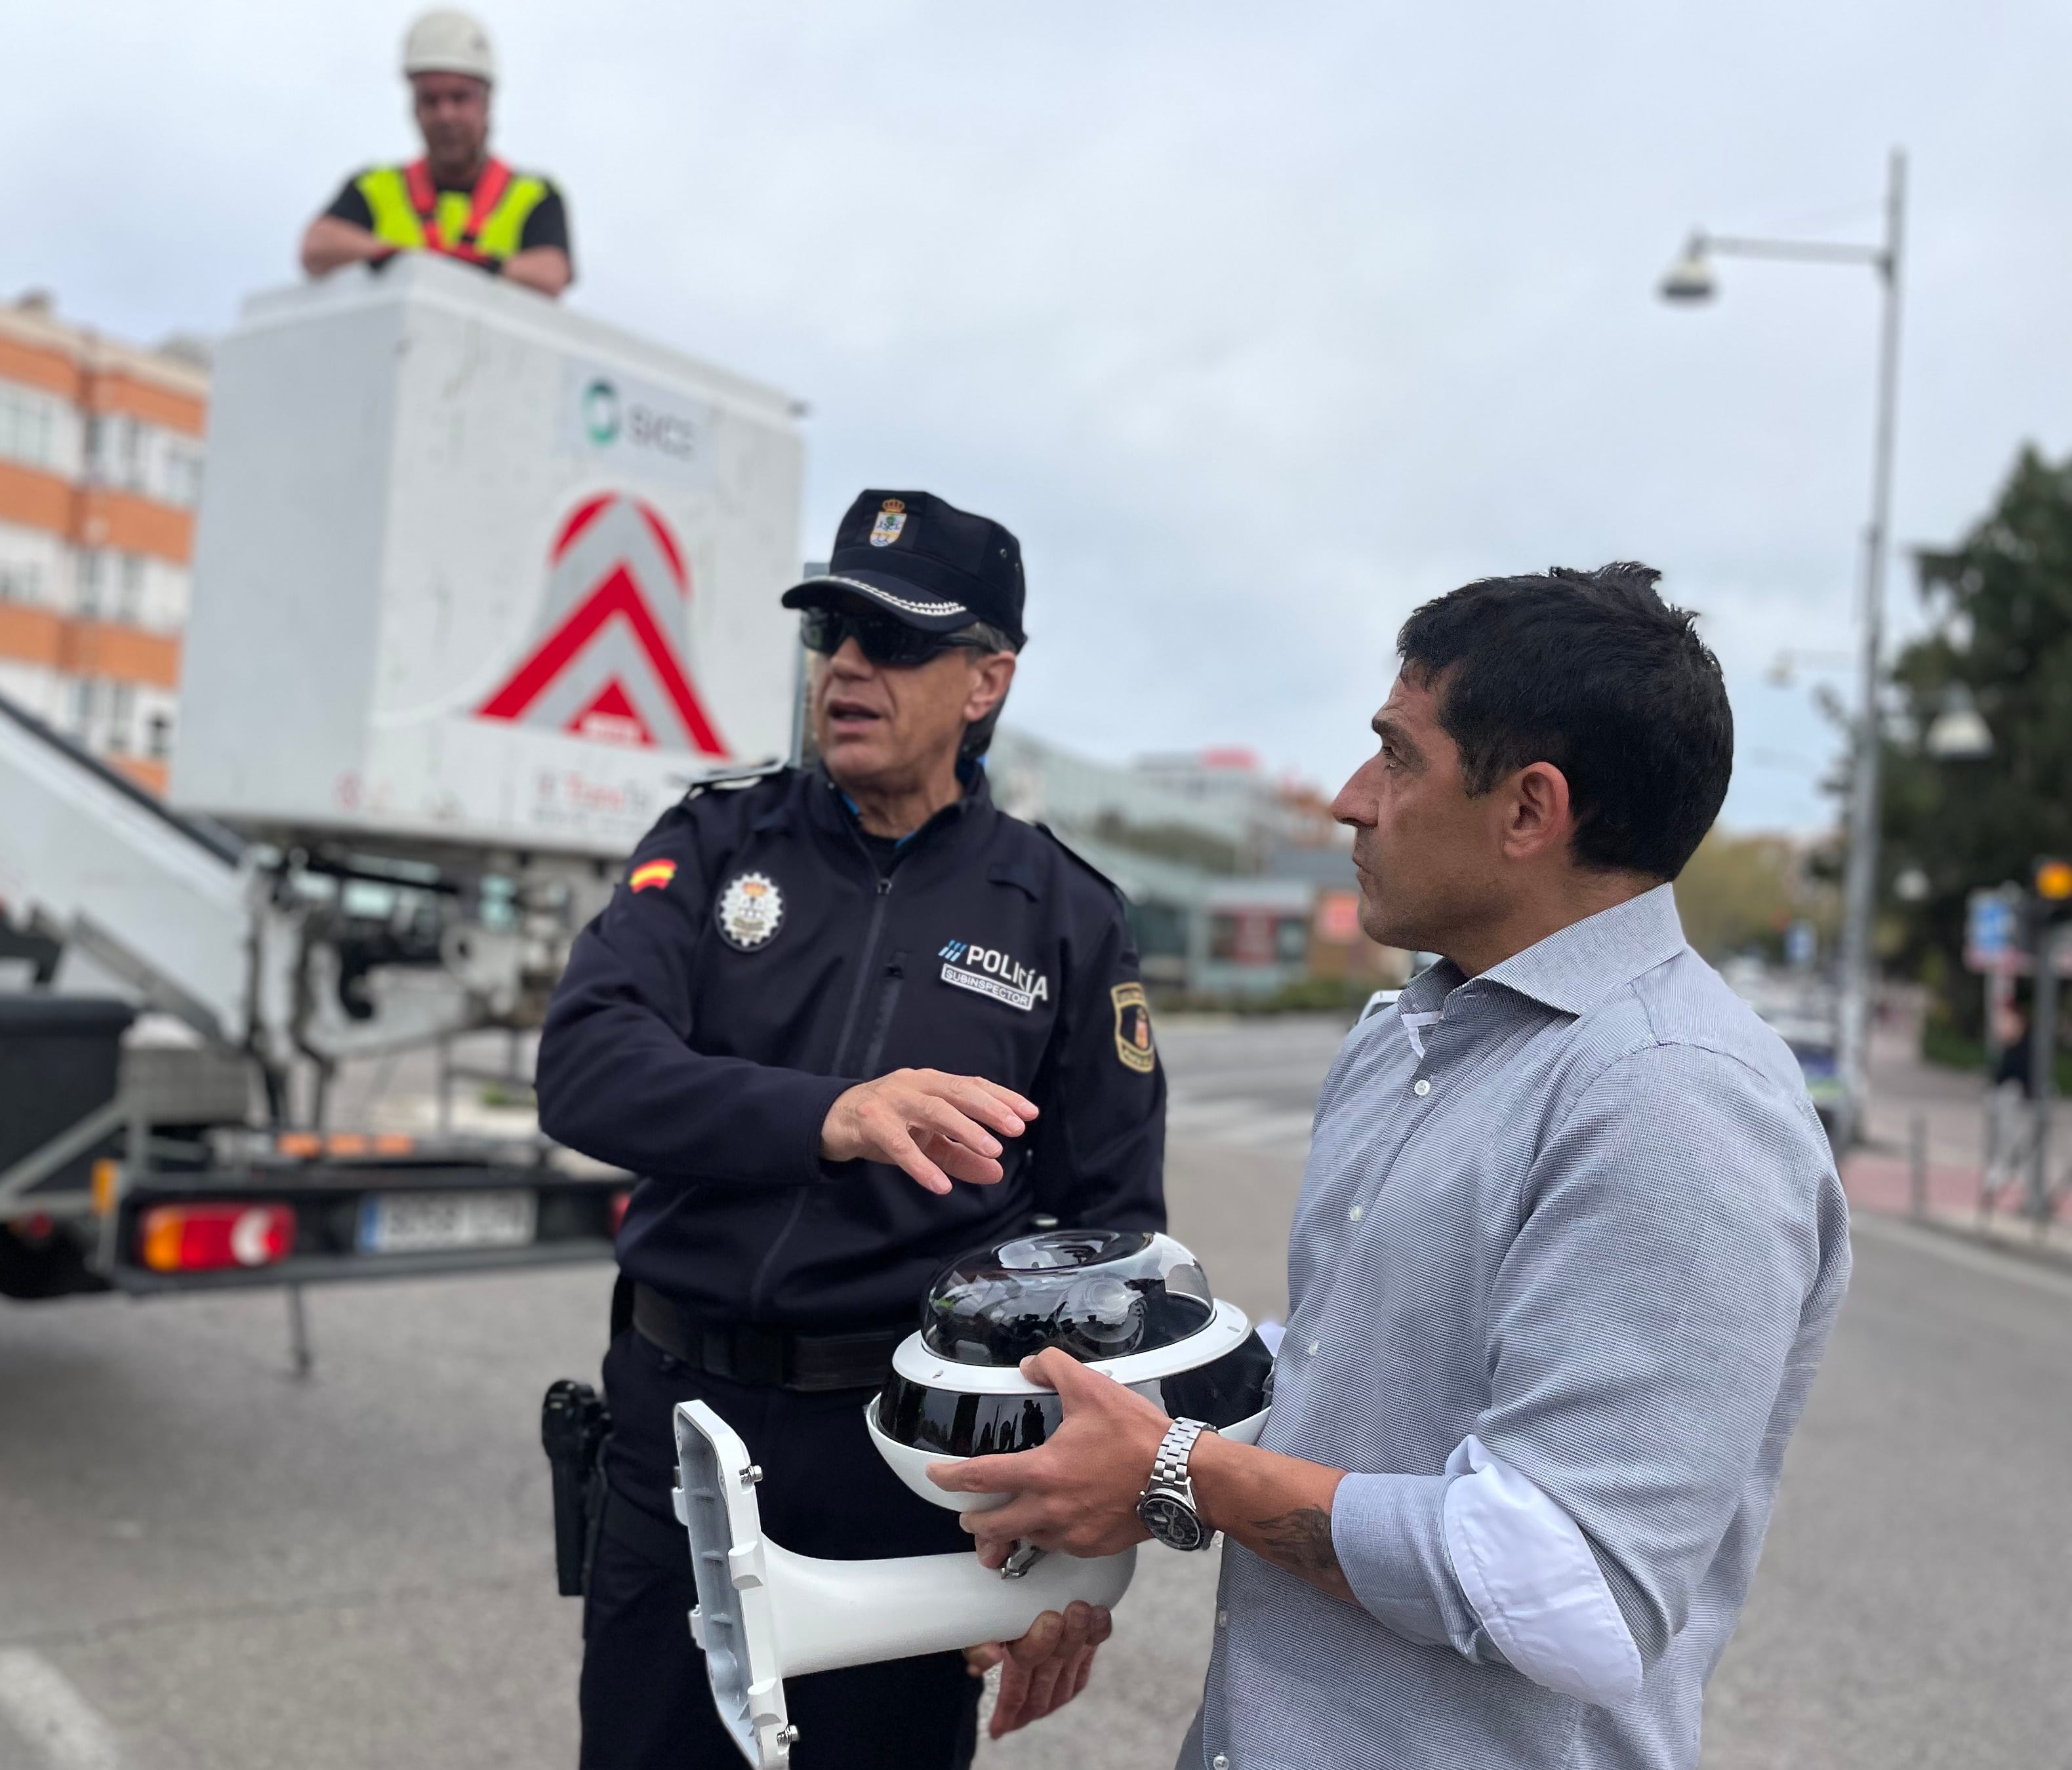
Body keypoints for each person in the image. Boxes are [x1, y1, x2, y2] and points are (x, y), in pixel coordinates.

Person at [934, 563, 1853, 1770]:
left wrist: (1173, 1467)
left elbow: (1569, 1587)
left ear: (1529, 809)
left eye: (1396, 757)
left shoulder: (1672, 1096)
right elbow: (1342, 1379)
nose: (1348, 800)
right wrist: (1095, 1475)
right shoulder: (1408, 1038)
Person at [535, 489, 1165, 1769]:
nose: (848, 667)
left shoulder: (1062, 914)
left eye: (895, 640)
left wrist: (1079, 1555)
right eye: (833, 633)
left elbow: (1112, 1246)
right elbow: (585, 1067)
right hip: (681, 1429)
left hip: (905, 1458)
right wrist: (826, 1114)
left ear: (986, 679)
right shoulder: (713, 840)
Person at [299, 10, 573, 298]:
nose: (446, 115)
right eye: (430, 100)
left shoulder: (533, 195)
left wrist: (456, 265)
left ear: (487, 101)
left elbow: (550, 274)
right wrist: (408, 258)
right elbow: (317, 246)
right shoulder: (375, 186)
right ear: (414, 107)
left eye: (459, 98)